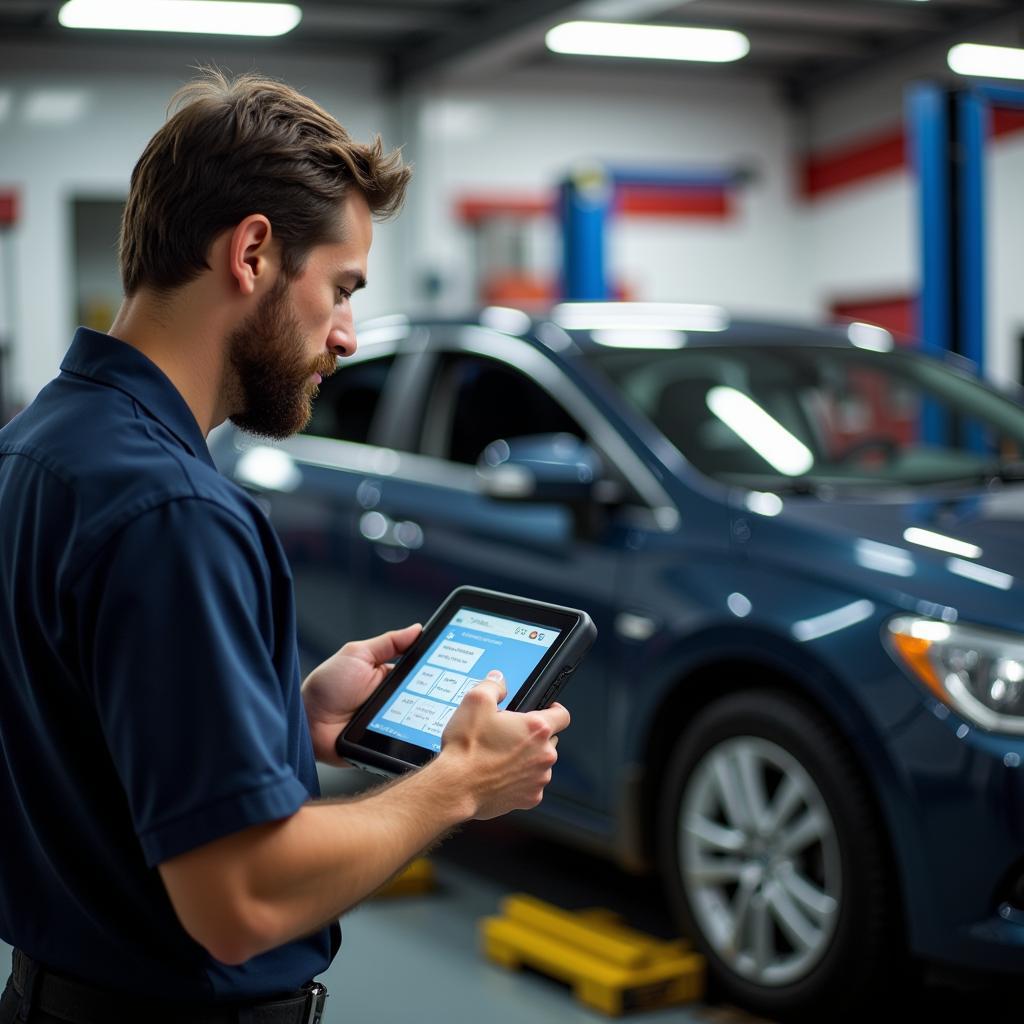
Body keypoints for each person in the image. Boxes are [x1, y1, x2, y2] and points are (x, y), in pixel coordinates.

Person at [0, 69, 570, 1024]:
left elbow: (90, 739)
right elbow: (240, 902)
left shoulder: (35, 447)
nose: (347, 335)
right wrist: (456, 785)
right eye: (342, 288)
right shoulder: (176, 510)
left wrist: (281, 720)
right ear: (254, 252)